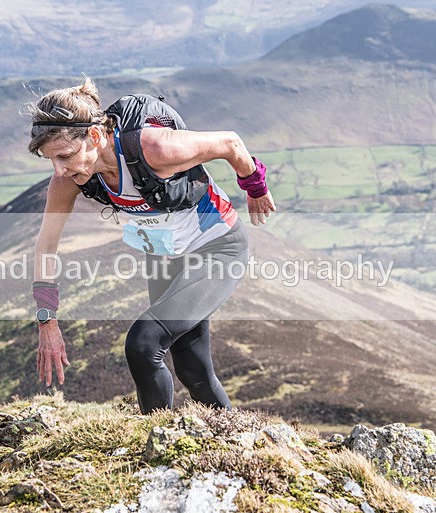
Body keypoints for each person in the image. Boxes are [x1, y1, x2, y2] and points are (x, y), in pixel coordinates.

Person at [29, 78, 275, 414]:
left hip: (217, 248)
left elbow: (230, 143)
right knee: (193, 369)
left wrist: (255, 186)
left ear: (96, 136)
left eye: (65, 156)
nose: (59, 169)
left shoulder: (154, 148)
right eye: (51, 160)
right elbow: (46, 246)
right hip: (164, 257)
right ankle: (236, 441)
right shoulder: (67, 180)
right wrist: (48, 321)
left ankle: (155, 442)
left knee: (144, 345)